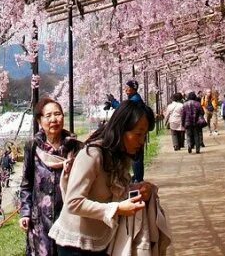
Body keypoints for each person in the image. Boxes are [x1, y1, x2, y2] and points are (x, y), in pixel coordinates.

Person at [48, 100, 160, 256]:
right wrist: (117, 209)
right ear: (121, 130)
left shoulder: (119, 156)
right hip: (75, 245)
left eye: (145, 135)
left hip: (101, 240)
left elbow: (113, 191)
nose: (142, 141)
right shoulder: (92, 155)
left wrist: (140, 189)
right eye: (138, 134)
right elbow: (73, 203)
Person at [20, 97, 82, 256]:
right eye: (48, 116)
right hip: (40, 222)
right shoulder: (33, 146)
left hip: (69, 219)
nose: (54, 119)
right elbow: (26, 184)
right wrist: (25, 213)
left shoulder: (76, 147)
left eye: (58, 114)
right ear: (40, 120)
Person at [121, 80, 146, 181]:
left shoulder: (134, 100)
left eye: (127, 87)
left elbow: (124, 110)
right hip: (137, 130)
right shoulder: (135, 99)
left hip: (135, 131)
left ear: (133, 89)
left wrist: (114, 103)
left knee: (136, 156)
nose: (125, 89)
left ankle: (138, 178)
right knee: (137, 155)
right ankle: (137, 176)